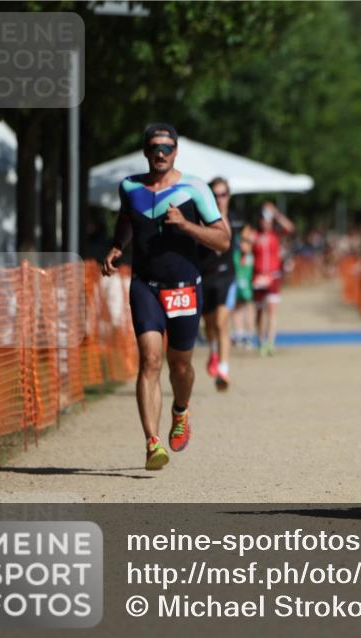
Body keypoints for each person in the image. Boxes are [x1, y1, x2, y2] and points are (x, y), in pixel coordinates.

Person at [102, 123, 230, 470]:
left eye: (167, 148)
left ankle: (180, 411)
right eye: (154, 147)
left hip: (185, 288)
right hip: (145, 285)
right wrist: (117, 246)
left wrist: (186, 225)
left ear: (176, 152)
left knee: (181, 365)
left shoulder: (195, 189)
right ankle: (152, 442)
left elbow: (223, 240)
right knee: (150, 360)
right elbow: (126, 219)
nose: (160, 153)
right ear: (145, 151)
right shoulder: (129, 187)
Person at [199, 177, 236, 391]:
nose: (219, 199)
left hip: (226, 277)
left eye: (223, 194)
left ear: (228, 196)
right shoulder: (202, 220)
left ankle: (224, 369)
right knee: (210, 325)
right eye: (215, 195)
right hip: (205, 277)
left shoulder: (235, 219)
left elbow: (232, 240)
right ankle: (213, 350)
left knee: (222, 322)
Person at [252, 201, 295, 356]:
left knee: (272, 309)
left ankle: (270, 341)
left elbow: (290, 228)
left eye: (268, 221)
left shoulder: (275, 235)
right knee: (259, 311)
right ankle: (261, 340)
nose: (266, 223)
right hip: (258, 277)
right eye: (264, 220)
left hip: (273, 277)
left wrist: (276, 213)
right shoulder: (254, 236)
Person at [231, 225, 257, 348]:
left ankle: (249, 335)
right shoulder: (235, 255)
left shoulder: (251, 256)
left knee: (249, 309)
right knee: (237, 309)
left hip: (248, 288)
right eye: (242, 242)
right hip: (237, 288)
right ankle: (239, 333)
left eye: (245, 243)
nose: (243, 245)